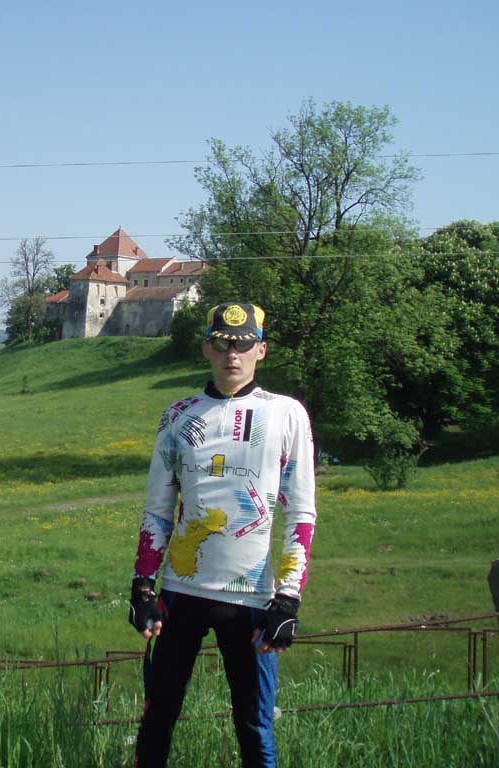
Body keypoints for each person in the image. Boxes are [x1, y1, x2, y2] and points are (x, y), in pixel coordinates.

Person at [128, 303, 316, 768]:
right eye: (223, 344)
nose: (233, 354)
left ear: (261, 350)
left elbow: (300, 514)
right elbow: (157, 510)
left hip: (251, 599)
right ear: (206, 348)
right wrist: (143, 585)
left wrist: (288, 598)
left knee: (254, 725)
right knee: (157, 717)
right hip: (181, 591)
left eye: (244, 344)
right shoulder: (177, 416)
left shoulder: (287, 414)